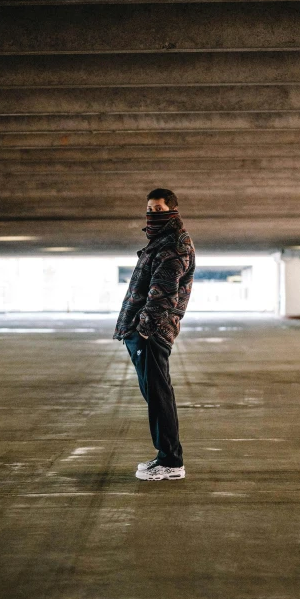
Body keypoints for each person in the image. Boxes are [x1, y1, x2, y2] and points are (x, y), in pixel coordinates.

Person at [113, 188, 196, 481]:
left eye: (159, 209)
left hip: (153, 332)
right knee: (157, 396)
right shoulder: (162, 242)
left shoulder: (173, 244)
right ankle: (166, 456)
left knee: (159, 397)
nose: (153, 214)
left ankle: (172, 462)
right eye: (150, 208)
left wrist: (144, 330)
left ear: (173, 210)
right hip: (146, 330)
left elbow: (163, 294)